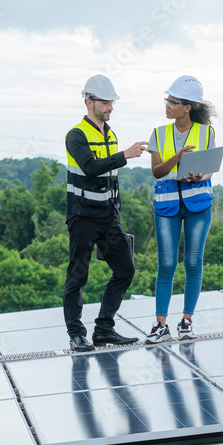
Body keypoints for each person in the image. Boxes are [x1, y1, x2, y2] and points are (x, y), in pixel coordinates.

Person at [64, 74, 149, 352]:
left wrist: (117, 214)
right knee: (78, 277)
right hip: (83, 217)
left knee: (125, 269)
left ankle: (104, 329)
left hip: (109, 216)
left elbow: (112, 178)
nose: (110, 107)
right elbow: (90, 167)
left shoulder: (110, 134)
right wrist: (125, 155)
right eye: (105, 102)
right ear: (89, 102)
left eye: (112, 102)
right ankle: (77, 334)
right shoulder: (76, 135)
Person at [146, 75, 217, 342]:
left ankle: (186, 322)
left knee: (192, 262)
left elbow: (210, 169)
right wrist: (178, 159)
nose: (167, 105)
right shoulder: (158, 134)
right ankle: (160, 325)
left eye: (172, 101)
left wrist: (201, 176)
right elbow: (156, 171)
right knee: (166, 264)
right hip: (167, 206)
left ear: (187, 106)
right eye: (167, 100)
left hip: (198, 204)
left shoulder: (206, 132)